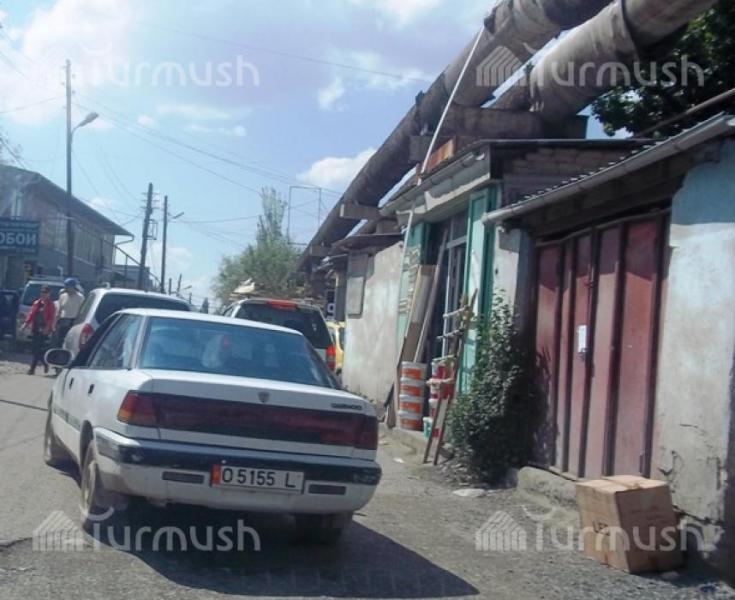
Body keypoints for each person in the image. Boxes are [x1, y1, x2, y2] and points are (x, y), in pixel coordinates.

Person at [20, 285, 56, 375]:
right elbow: (31, 315)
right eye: (42, 292)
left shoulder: (51, 304)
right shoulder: (37, 303)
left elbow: (51, 318)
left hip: (44, 328)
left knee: (38, 348)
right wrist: (25, 324)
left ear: (49, 294)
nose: (43, 294)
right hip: (35, 327)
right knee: (35, 349)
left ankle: (32, 369)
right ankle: (45, 363)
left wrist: (47, 328)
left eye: (45, 292)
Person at [54, 277, 84, 347]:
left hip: (73, 322)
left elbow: (82, 311)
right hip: (63, 321)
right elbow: (59, 310)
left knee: (70, 342)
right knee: (59, 341)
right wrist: (55, 323)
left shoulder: (80, 297)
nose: (66, 289)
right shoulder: (62, 296)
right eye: (66, 287)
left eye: (68, 287)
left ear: (73, 287)